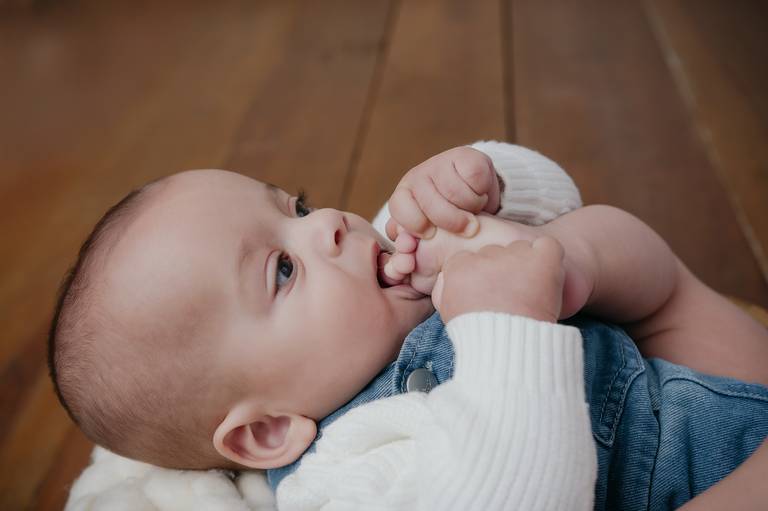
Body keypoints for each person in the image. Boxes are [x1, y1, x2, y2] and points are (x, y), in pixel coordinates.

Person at [52, 143, 768, 510]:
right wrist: (506, 326)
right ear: (270, 431)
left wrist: (478, 188)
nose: (328, 224)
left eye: (295, 207)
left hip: (694, 374)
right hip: (698, 479)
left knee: (602, 238)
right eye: (281, 270)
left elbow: (559, 198)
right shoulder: (342, 478)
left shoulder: (392, 260)